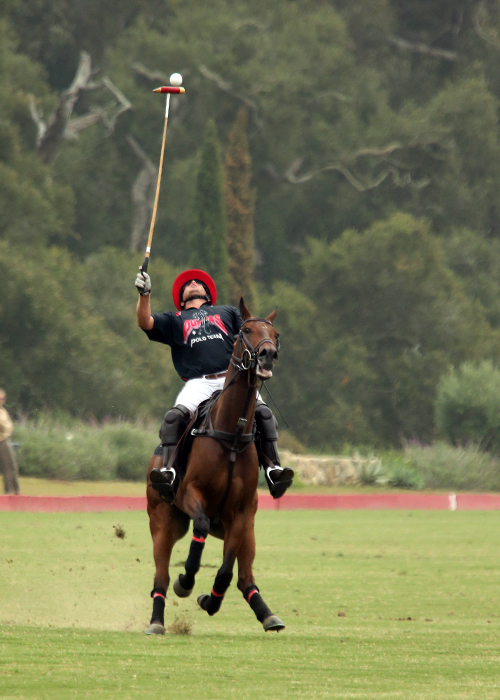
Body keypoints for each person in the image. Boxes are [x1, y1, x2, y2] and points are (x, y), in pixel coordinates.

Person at [135, 267, 294, 503]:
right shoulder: (174, 319)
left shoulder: (227, 312)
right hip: (198, 383)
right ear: (180, 298)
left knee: (264, 414)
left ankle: (273, 470)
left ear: (208, 294)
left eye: (198, 282)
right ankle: (169, 472)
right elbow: (145, 321)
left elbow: (249, 334)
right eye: (188, 283)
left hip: (232, 377)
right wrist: (144, 295)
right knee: (173, 419)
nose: (193, 283)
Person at [0, 389, 20, 495]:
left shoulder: (3, 412)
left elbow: (8, 427)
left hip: (3, 440)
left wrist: (3, 427)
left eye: (2, 398)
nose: (1, 400)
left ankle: (12, 490)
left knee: (10, 465)